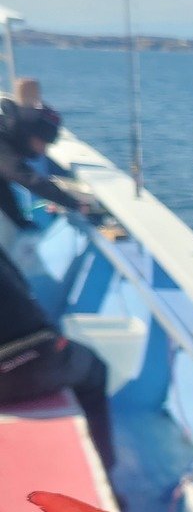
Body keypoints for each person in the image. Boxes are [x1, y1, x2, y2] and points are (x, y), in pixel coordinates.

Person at [0, 89, 116, 473]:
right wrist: (77, 204)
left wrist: (21, 220)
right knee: (93, 369)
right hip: (23, 361)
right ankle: (108, 472)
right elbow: (21, 176)